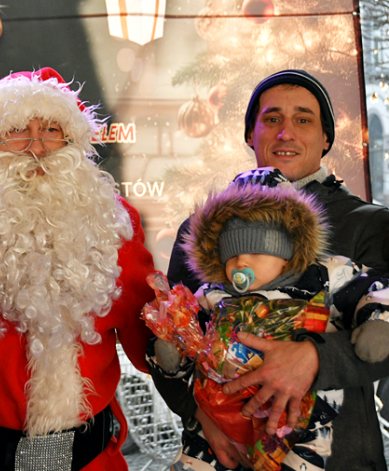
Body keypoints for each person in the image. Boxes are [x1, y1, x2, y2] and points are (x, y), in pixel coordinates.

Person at [0, 67, 157, 471]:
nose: (37, 147)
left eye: (52, 130)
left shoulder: (112, 223)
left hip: (92, 460)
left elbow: (150, 337)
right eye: (17, 130)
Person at [162, 70, 389, 471]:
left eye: (303, 119)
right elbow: (177, 334)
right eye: (271, 119)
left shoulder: (369, 224)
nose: (286, 132)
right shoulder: (205, 231)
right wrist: (198, 416)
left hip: (335, 455)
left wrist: (316, 359)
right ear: (251, 134)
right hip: (227, 452)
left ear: (326, 139)